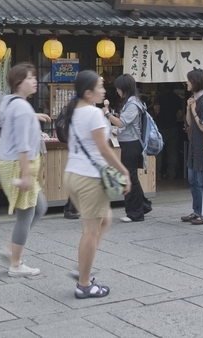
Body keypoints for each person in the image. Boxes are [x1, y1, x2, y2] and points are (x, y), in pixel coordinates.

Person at [62, 70, 131, 298]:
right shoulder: (93, 113)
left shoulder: (74, 111)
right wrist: (123, 170)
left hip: (73, 174)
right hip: (90, 178)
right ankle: (84, 284)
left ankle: (83, 266)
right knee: (90, 231)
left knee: (105, 219)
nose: (104, 90)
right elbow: (104, 148)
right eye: (99, 87)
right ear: (88, 92)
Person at [0, 63, 52, 277]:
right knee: (27, 213)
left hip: (11, 163)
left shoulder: (12, 103)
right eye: (30, 78)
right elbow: (22, 144)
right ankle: (15, 264)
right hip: (18, 165)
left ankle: (10, 249)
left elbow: (16, 119)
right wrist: (26, 174)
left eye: (34, 77)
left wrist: (32, 116)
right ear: (19, 83)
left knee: (40, 207)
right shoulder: (21, 108)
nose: (35, 81)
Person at [106, 74, 152, 222]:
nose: (117, 91)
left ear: (124, 88)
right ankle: (143, 205)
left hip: (132, 144)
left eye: (119, 88)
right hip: (128, 143)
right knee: (131, 176)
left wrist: (107, 114)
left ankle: (135, 213)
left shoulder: (133, 104)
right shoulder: (131, 102)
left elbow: (122, 123)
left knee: (129, 177)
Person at [181, 69, 203, 225]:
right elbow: (189, 123)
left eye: (189, 80)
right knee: (192, 180)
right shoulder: (194, 99)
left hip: (202, 145)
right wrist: (188, 109)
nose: (187, 83)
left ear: (196, 82)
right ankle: (197, 210)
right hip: (194, 144)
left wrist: (193, 110)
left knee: (200, 181)